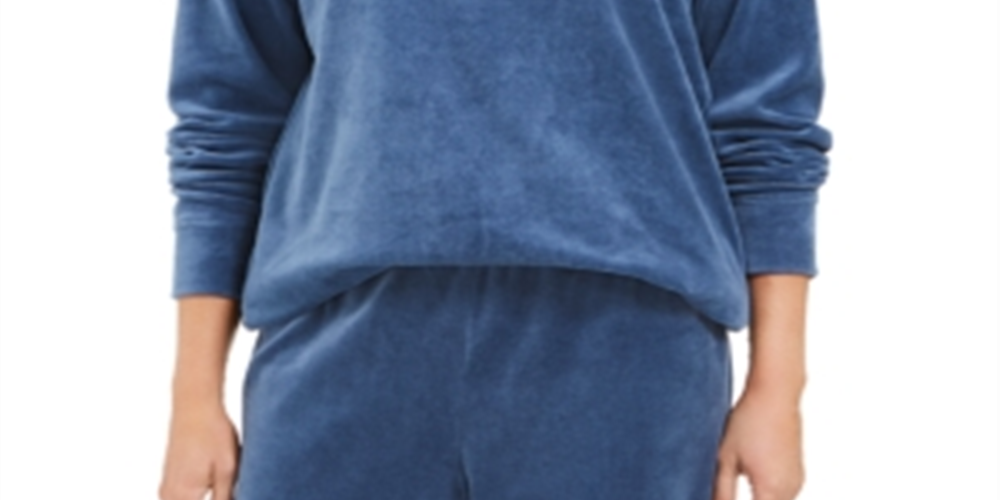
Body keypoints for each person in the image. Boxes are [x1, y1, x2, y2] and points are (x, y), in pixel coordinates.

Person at [157, 0, 833, 499]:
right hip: (342, 348)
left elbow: (767, 130)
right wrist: (193, 398)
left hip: (625, 357)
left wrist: (777, 389)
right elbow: (227, 122)